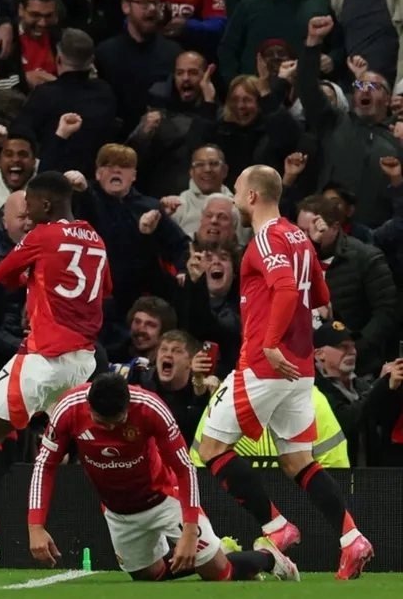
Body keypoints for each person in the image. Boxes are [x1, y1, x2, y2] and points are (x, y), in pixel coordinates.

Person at [194, 165, 374, 580]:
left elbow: (288, 289)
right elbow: (321, 295)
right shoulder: (299, 237)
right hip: (301, 369)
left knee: (212, 450)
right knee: (297, 459)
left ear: (253, 196)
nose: (235, 196)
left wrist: (271, 342)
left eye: (237, 190)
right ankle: (351, 539)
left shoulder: (266, 238)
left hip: (264, 364)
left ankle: (277, 527)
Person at [0, 170, 111, 564]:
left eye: (29, 205)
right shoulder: (95, 239)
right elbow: (103, 290)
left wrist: (11, 262)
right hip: (82, 360)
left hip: (44, 355)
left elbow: (1, 275)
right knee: (19, 428)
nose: (26, 213)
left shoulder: (42, 235)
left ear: (45, 204)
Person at [28, 374, 298, 582]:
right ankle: (216, 550)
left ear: (128, 405)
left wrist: (190, 530)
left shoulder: (150, 407)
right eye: (102, 422)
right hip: (118, 510)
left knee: (218, 574)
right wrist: (36, 527)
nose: (110, 429)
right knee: (148, 577)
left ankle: (267, 557)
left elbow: (184, 467)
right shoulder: (68, 410)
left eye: (117, 421)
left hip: (165, 498)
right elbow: (44, 465)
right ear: (89, 407)